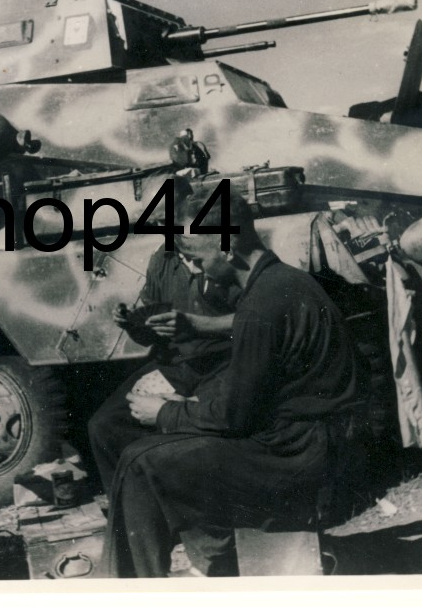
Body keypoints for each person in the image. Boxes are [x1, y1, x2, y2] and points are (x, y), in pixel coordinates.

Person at [101, 192, 367, 578]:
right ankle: (208, 561)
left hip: (298, 454)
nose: (195, 269)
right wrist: (187, 408)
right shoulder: (282, 282)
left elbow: (234, 417)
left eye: (197, 258)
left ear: (226, 248)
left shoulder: (261, 305)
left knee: (140, 463)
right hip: (313, 441)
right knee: (152, 451)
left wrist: (166, 411)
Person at [87, 229, 239, 576]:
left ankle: (201, 534)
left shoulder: (223, 254)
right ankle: (136, 525)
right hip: (176, 365)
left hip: (222, 366)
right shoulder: (163, 259)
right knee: (104, 426)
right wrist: (132, 324)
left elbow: (254, 320)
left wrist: (197, 325)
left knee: (186, 428)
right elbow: (149, 328)